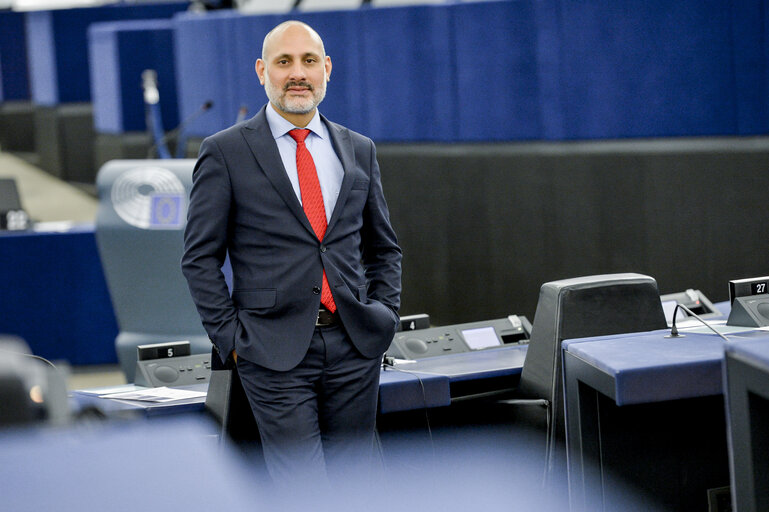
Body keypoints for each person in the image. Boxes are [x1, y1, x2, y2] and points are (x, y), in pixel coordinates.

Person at [181, 20, 402, 488]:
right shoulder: (224, 152)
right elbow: (199, 258)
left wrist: (384, 315)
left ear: (327, 70)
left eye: (308, 61)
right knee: (303, 490)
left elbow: (384, 247)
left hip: (355, 346)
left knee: (356, 488)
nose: (297, 73)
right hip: (271, 352)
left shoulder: (359, 149)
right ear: (263, 71)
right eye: (284, 62)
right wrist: (234, 341)